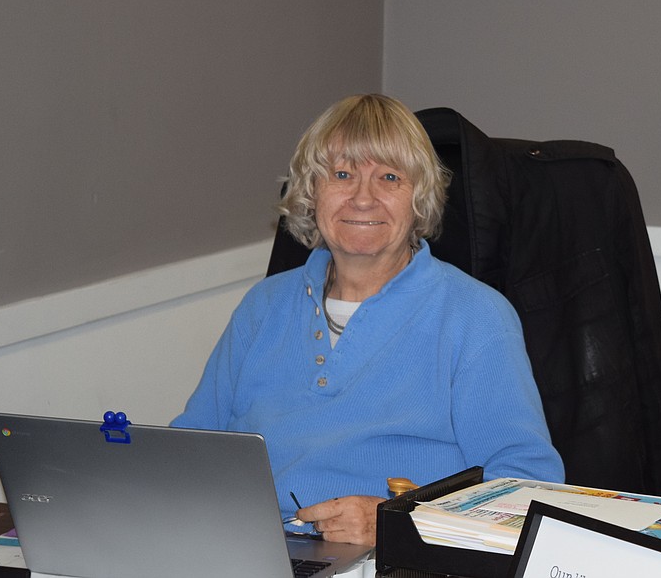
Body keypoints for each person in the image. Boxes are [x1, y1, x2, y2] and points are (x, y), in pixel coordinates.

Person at [172, 94, 563, 546]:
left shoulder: (475, 317)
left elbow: (526, 489)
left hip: (394, 558)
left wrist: (401, 523)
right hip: (252, 549)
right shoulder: (263, 307)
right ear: (309, 191)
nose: (363, 198)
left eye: (389, 177)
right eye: (342, 175)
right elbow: (192, 451)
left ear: (419, 199)